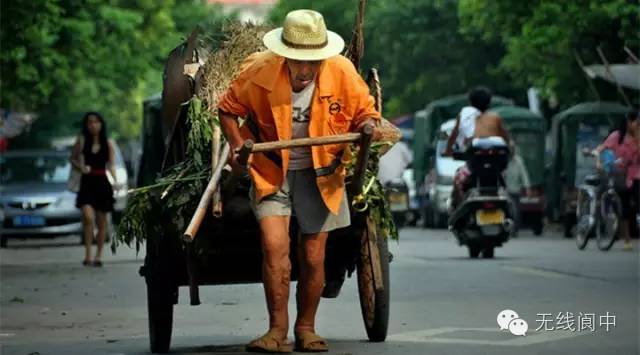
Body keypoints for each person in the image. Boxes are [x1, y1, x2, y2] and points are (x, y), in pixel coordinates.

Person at [218, 9, 380, 353]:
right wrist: (237, 146)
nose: (305, 70)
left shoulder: (342, 72)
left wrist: (367, 127)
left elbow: (367, 113)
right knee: (275, 249)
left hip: (322, 174)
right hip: (271, 169)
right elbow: (227, 109)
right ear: (284, 55)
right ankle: (276, 331)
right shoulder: (259, 71)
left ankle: (306, 327)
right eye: (297, 62)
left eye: (312, 62)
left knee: (313, 255)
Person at [443, 87, 511, 210]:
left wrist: (448, 151)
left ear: (471, 103)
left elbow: (453, 136)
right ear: (489, 103)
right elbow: (507, 139)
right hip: (496, 168)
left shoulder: (464, 117)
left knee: (458, 178)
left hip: (474, 165)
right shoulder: (495, 118)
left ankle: (456, 207)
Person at [70, 112, 117, 267]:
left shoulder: (108, 143)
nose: (93, 125)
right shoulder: (82, 140)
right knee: (88, 217)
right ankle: (88, 254)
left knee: (101, 221)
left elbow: (111, 165)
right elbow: (72, 158)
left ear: (101, 124)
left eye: (96, 122)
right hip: (87, 183)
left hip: (102, 183)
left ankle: (98, 256)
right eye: (90, 122)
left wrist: (115, 182)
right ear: (86, 125)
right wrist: (81, 167)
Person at [594, 108, 639, 250]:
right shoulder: (616, 136)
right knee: (624, 207)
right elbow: (601, 148)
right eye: (637, 123)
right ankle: (626, 239)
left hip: (637, 173)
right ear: (629, 122)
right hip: (622, 175)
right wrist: (597, 159)